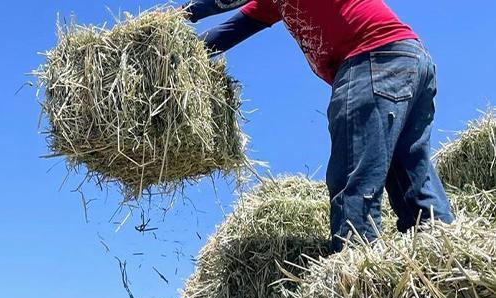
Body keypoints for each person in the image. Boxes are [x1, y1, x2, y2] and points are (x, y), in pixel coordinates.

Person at [184, 0, 454, 251]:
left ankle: (358, 278)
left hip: (371, 58)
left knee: (351, 177)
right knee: (410, 176)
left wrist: (184, 13)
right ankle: (444, 265)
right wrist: (177, 53)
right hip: (405, 59)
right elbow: (230, 31)